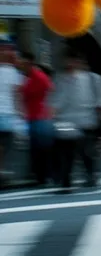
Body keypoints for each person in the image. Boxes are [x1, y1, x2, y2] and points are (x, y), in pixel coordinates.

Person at [51, 50, 101, 191]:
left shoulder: (94, 79)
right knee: (66, 154)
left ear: (81, 63)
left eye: (74, 61)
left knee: (87, 152)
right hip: (65, 122)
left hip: (86, 122)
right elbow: (54, 102)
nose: (71, 64)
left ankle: (90, 175)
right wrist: (52, 117)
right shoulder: (60, 79)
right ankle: (65, 179)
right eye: (68, 60)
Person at [18, 53, 54, 186]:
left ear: (31, 64)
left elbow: (51, 92)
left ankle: (45, 176)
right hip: (31, 117)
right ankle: (40, 175)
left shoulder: (39, 77)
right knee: (36, 148)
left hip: (41, 117)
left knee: (42, 148)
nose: (22, 66)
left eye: (25, 64)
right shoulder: (26, 78)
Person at [0, 45, 22, 186]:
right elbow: (17, 95)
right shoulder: (14, 73)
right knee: (5, 145)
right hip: (8, 114)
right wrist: (20, 112)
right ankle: (2, 171)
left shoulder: (14, 72)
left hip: (7, 113)